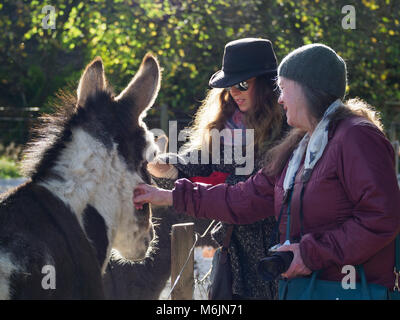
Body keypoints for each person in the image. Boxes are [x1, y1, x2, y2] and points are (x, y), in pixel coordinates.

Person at [134, 43, 400, 294]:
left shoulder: (356, 136)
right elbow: (245, 198)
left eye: (284, 88)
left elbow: (381, 217)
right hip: (304, 286)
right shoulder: (300, 144)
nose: (280, 98)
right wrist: (169, 194)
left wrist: (309, 254)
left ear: (307, 89)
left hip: (345, 289)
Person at [147, 38, 286, 299]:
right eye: (229, 85)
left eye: (242, 83)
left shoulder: (289, 128)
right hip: (235, 260)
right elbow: (201, 160)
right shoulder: (226, 124)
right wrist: (168, 165)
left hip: (278, 256)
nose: (234, 91)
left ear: (268, 85)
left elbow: (250, 195)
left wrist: (178, 192)